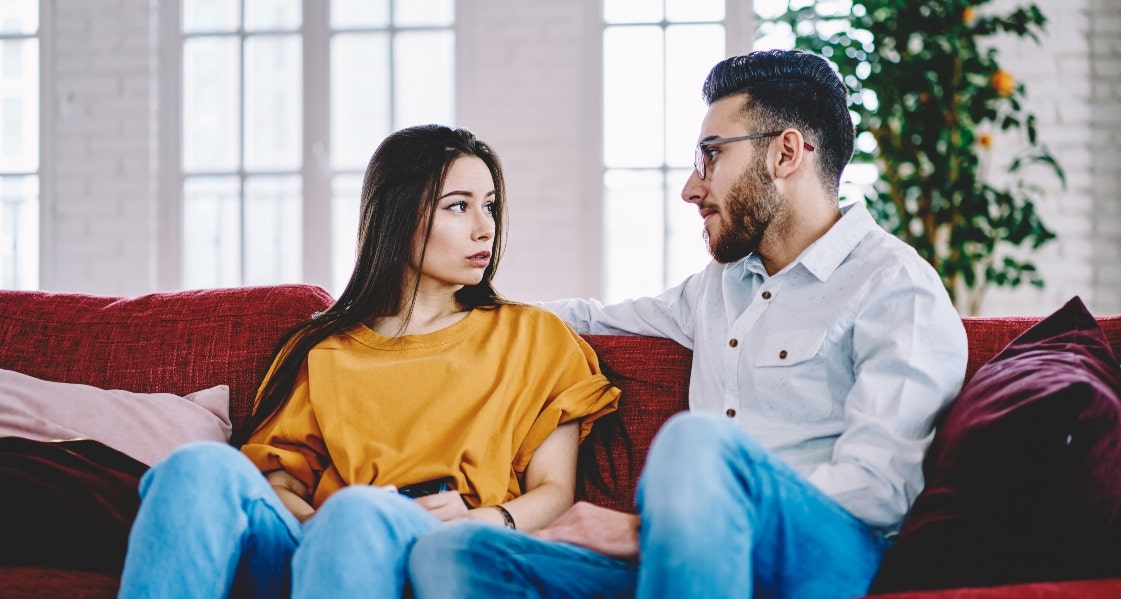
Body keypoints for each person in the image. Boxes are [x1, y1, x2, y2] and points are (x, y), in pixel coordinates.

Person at [406, 50, 968, 599]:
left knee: (697, 443)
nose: (691, 188)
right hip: (688, 557)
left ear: (786, 153)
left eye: (711, 156)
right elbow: (588, 319)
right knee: (452, 553)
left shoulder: (895, 286)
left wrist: (646, 529)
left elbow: (880, 490)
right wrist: (430, 313)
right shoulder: (719, 288)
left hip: (830, 559)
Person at [116, 125, 620, 599]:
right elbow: (282, 482)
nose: (484, 227)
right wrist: (323, 529)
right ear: (397, 218)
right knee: (196, 465)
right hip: (320, 547)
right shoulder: (329, 350)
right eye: (459, 206)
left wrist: (488, 519)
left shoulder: (534, 337)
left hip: (436, 544)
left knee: (358, 510)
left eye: (489, 205)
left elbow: (555, 490)